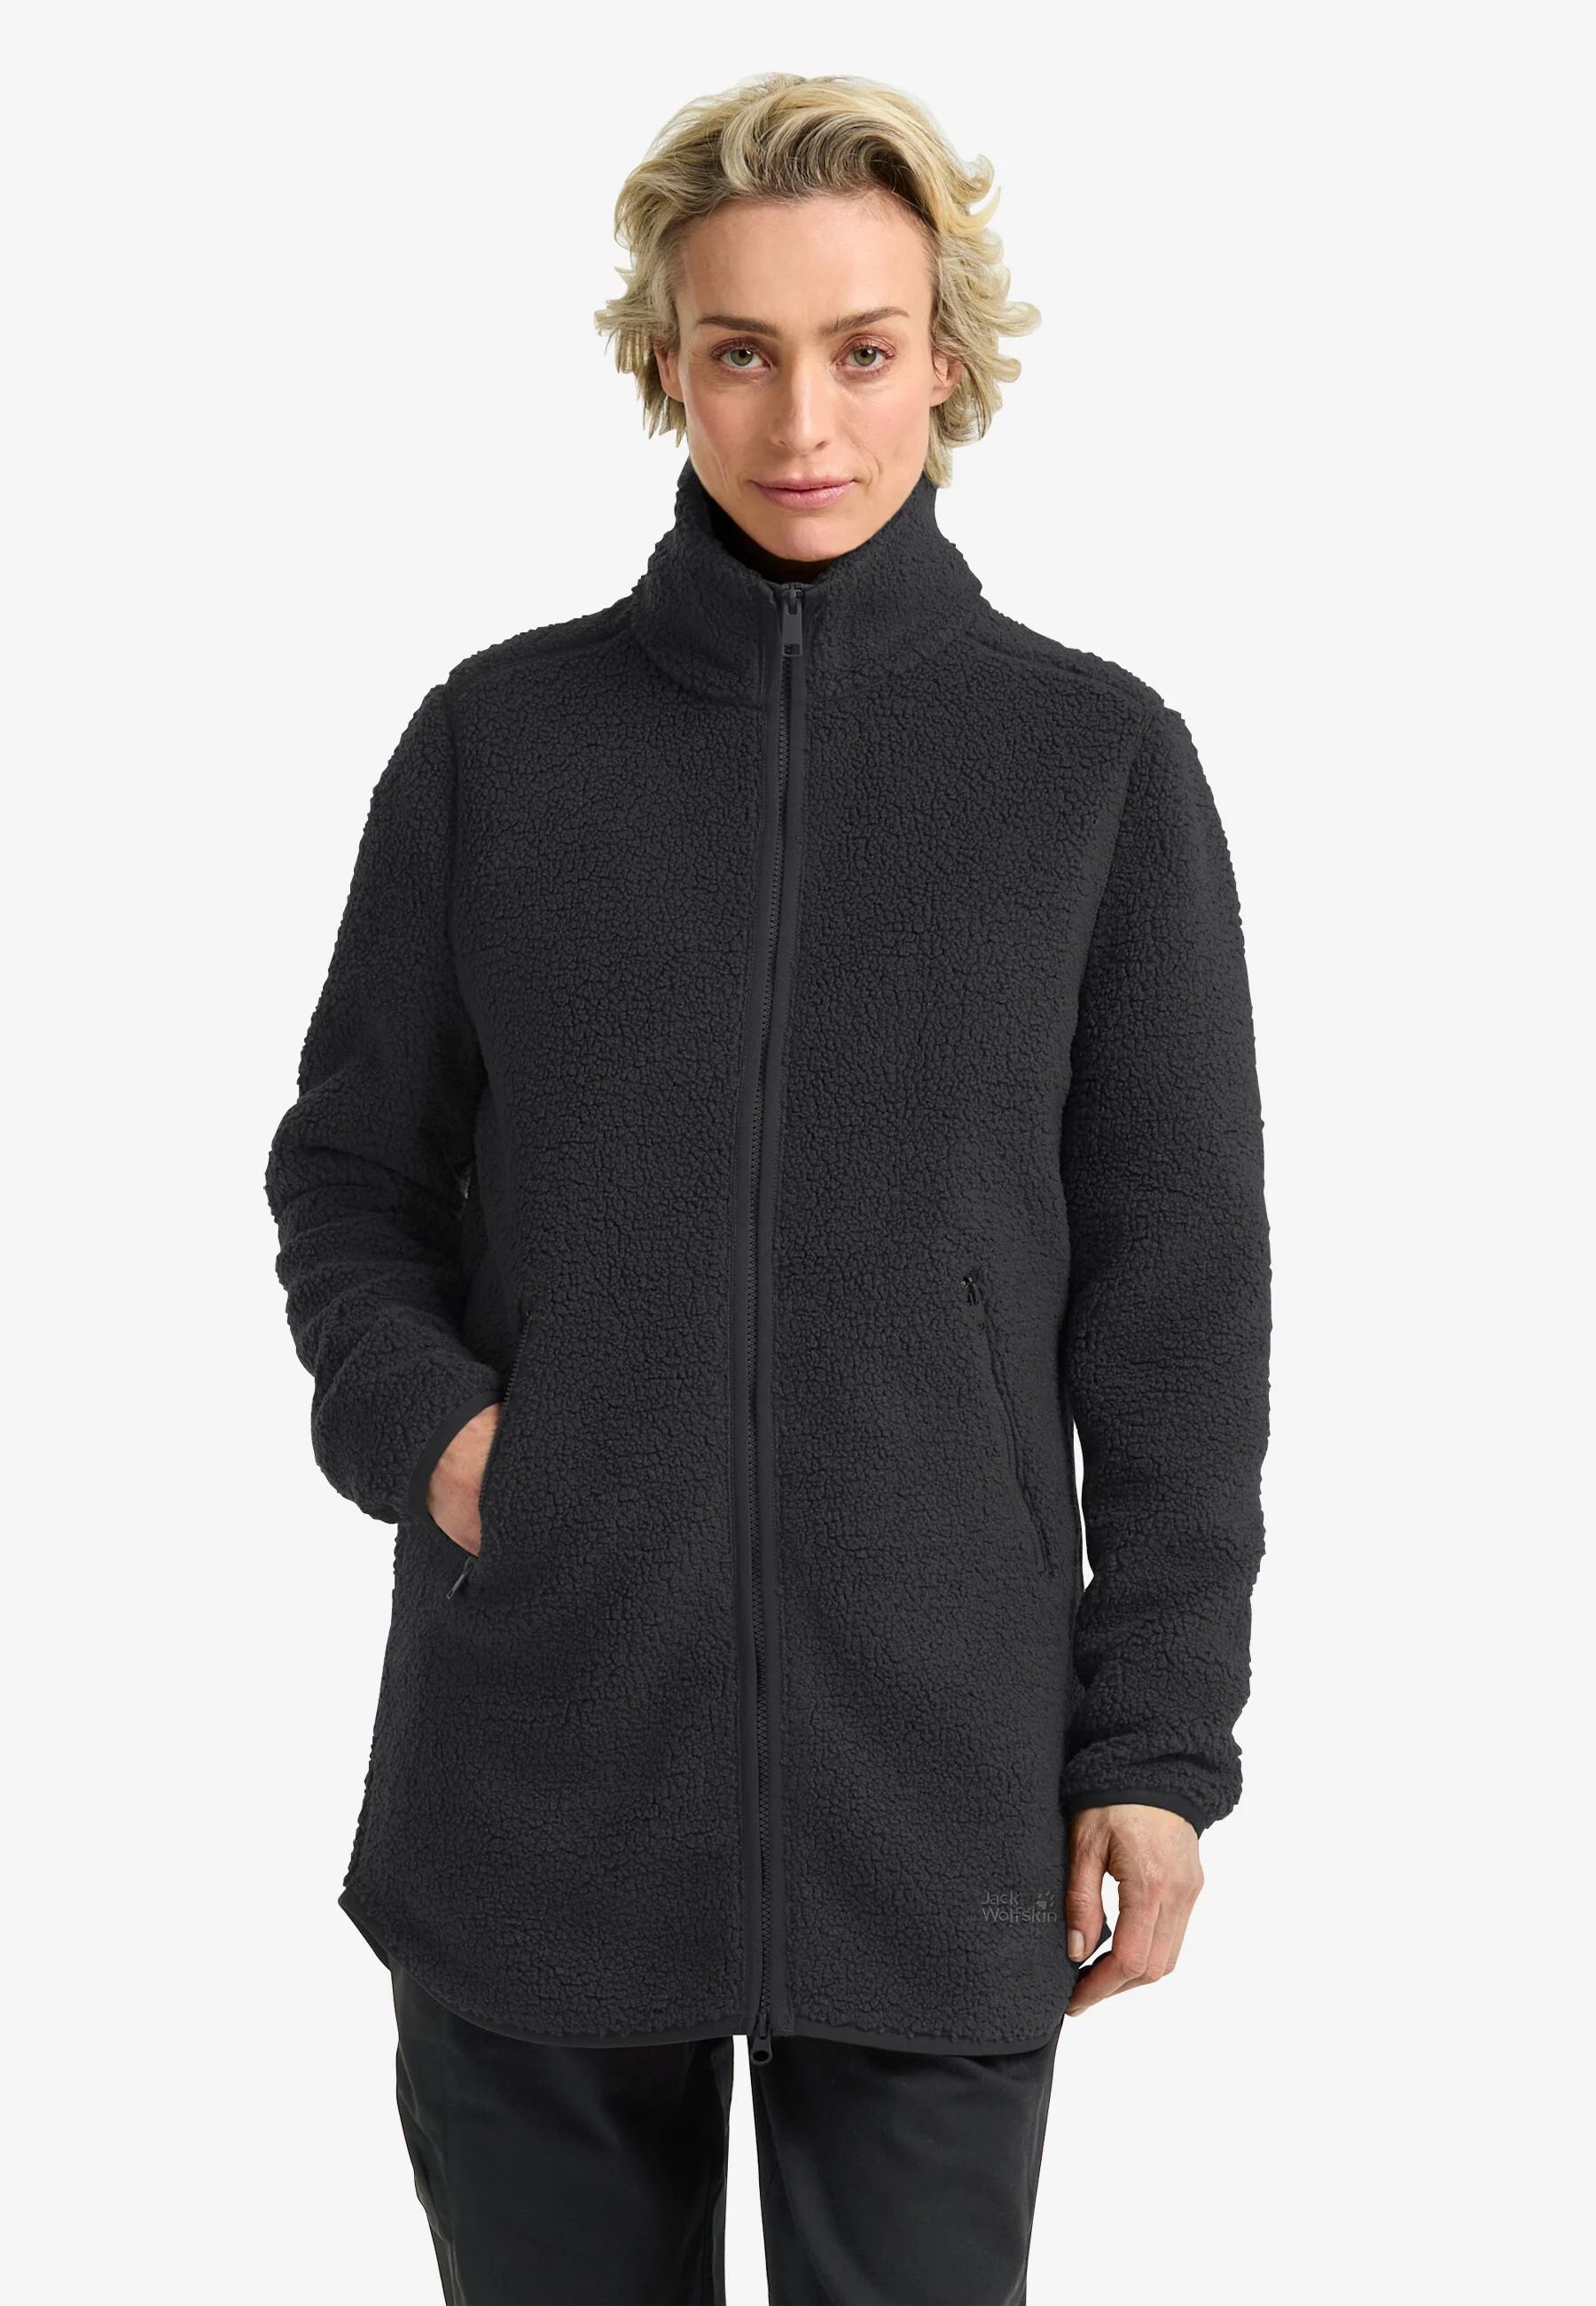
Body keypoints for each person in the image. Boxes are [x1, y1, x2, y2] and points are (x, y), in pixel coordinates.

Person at [264, 67, 1271, 2306]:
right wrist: (452, 1447)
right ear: (664, 361)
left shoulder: (1094, 766)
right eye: (741, 350)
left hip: (939, 1784)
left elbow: (1182, 1302)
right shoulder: (497, 745)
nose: (804, 419)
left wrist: (1158, 1741)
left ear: (949, 361)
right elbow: (349, 1177)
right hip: (540, 1756)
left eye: (863, 349)